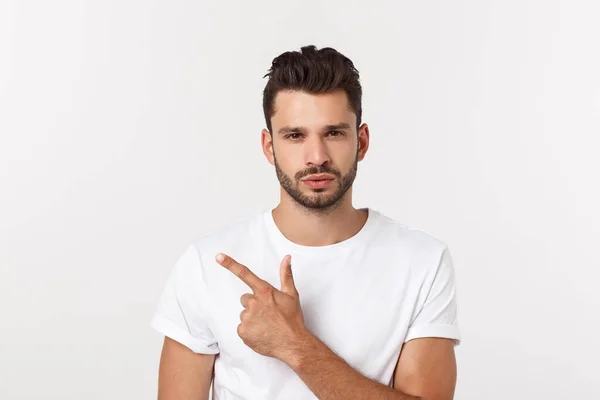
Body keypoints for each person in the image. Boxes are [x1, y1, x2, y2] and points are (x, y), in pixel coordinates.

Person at [151, 45, 461, 400]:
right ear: (269, 147)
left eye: (333, 133)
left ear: (361, 142)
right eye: (295, 135)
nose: (317, 157)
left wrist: (294, 345)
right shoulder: (207, 263)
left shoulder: (422, 261)